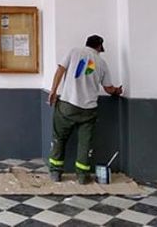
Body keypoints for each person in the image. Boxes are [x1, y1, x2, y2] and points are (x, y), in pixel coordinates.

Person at [47, 34, 123, 184]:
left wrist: (53, 91)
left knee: (59, 138)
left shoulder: (74, 52)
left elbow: (60, 70)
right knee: (85, 144)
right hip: (88, 110)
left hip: (67, 105)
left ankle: (56, 173)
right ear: (99, 47)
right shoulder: (101, 63)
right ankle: (82, 176)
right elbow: (108, 89)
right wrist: (117, 91)